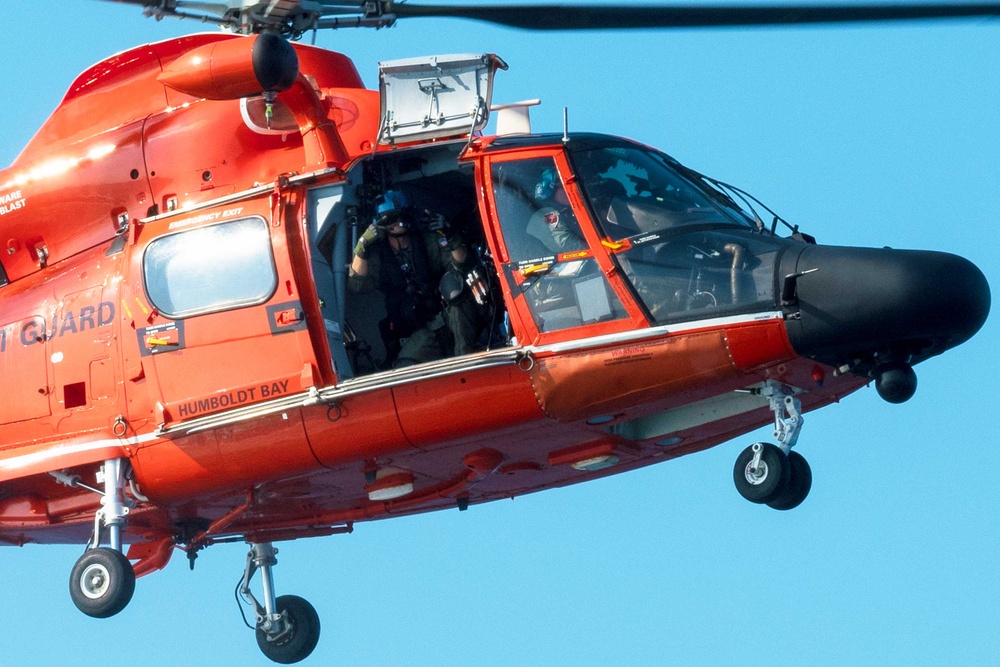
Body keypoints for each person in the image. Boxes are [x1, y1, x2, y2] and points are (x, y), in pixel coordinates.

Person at [350, 190, 480, 368]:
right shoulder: (379, 256)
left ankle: (468, 363)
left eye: (402, 216)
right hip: (418, 331)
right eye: (391, 219)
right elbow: (357, 284)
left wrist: (450, 236)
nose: (399, 223)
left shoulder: (429, 241)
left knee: (456, 290)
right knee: (404, 367)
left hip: (447, 315)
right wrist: (362, 246)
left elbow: (462, 265)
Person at [527, 167, 588, 254]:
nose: (571, 190)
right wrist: (595, 249)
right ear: (553, 190)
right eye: (563, 186)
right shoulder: (549, 213)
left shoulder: (560, 209)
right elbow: (569, 245)